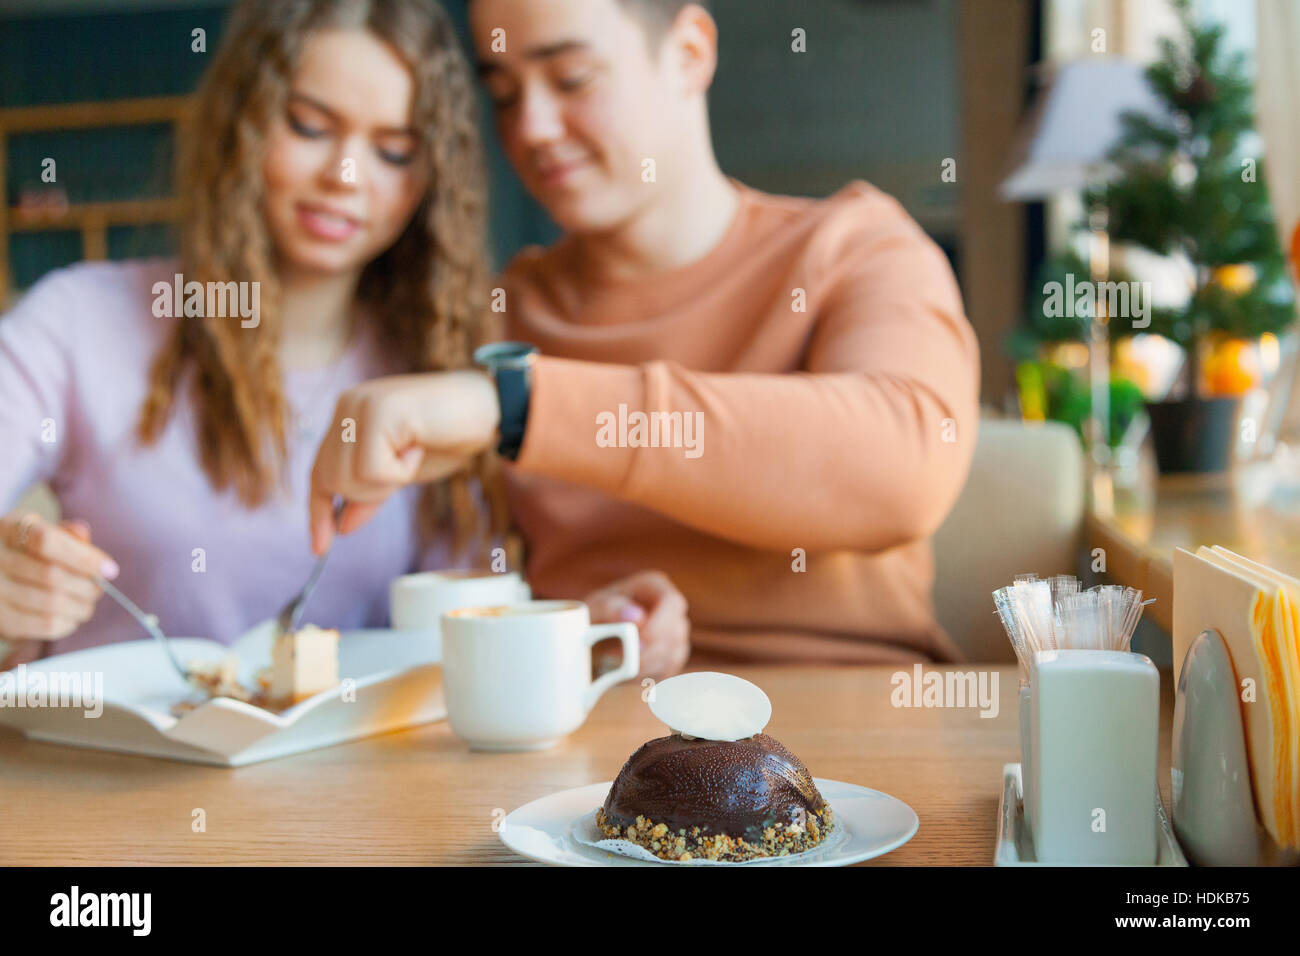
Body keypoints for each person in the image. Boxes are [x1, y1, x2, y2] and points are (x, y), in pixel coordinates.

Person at [0, 0, 684, 668]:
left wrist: (578, 632)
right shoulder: (74, 323)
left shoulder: (438, 360)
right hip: (99, 773)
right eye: (308, 126)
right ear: (241, 123)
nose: (344, 178)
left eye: (393, 151)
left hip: (353, 782)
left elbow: (461, 631)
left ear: (429, 182)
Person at [309, 0, 980, 673]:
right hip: (594, 743)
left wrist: (519, 405)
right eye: (504, 94)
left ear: (689, 53)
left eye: (571, 78)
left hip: (853, 724)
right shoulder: (500, 312)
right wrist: (577, 633)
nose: (532, 128)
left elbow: (902, 473)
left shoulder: (855, 249)